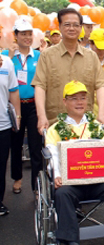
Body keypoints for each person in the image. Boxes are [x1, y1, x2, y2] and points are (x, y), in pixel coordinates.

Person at [45, 81, 104, 245]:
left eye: (83, 98)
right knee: (62, 194)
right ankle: (70, 240)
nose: (79, 102)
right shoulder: (55, 129)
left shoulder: (97, 127)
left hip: (97, 180)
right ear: (65, 101)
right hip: (70, 184)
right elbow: (53, 155)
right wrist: (56, 174)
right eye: (74, 98)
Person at [32, 8, 104, 135]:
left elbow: (101, 85)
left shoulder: (91, 56)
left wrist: (102, 113)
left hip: (86, 124)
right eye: (67, 24)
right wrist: (41, 116)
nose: (71, 28)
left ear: (81, 28)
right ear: (60, 27)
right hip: (55, 124)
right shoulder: (47, 55)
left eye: (76, 25)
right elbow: (40, 86)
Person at [1, 19, 42, 195]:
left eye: (29, 34)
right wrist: (9, 56)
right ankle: (17, 178)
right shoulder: (5, 56)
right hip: (12, 108)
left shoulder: (39, 56)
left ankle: (36, 184)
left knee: (35, 146)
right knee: (15, 145)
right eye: (23, 34)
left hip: (33, 105)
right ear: (15, 36)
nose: (27, 37)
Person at [0, 53, 20, 216]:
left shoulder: (6, 62)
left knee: (1, 165)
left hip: (3, 124)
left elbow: (13, 91)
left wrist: (17, 116)